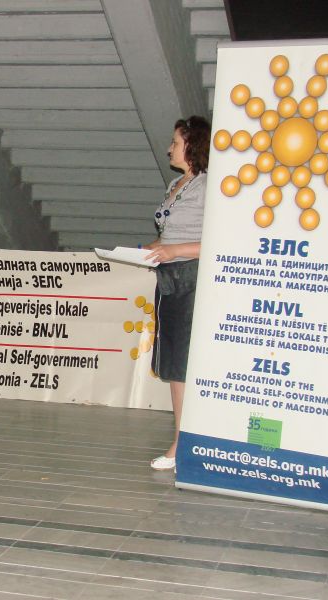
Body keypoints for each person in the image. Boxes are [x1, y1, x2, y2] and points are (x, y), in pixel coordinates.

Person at [145, 116, 211, 471]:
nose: (169, 148)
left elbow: (221, 239)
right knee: (173, 363)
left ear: (193, 145)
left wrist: (174, 250)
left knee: (183, 364)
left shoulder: (209, 186)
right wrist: (151, 248)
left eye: (175, 142)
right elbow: (169, 235)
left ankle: (182, 444)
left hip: (192, 279)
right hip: (169, 278)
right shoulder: (176, 183)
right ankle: (182, 438)